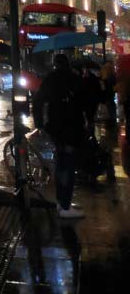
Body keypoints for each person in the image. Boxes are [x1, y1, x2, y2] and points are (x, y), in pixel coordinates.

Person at [34, 53, 86, 218]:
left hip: (55, 127)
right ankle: (65, 205)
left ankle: (60, 201)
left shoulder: (50, 79)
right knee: (68, 165)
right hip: (72, 127)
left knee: (61, 162)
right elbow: (86, 102)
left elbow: (38, 101)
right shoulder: (74, 79)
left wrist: (40, 123)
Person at [79, 63, 103, 134]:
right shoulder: (85, 78)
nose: (84, 70)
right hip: (89, 99)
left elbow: (97, 88)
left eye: (85, 69)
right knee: (89, 114)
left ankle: (90, 127)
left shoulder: (89, 78)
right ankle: (90, 127)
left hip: (91, 99)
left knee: (90, 113)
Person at [100, 59, 117, 126]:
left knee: (109, 102)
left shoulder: (104, 68)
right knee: (111, 102)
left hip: (107, 88)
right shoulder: (112, 72)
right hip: (111, 89)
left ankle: (111, 116)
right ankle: (112, 116)